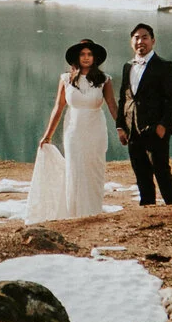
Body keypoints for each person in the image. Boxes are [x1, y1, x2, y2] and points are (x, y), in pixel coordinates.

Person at [26, 39, 112, 223]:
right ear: (77, 57)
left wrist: (122, 128)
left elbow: (113, 106)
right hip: (74, 129)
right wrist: (47, 135)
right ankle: (74, 212)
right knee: (75, 168)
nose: (86, 58)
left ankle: (93, 211)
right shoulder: (66, 79)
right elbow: (58, 107)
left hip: (95, 129)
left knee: (94, 169)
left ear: (95, 58)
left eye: (90, 54)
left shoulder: (104, 80)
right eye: (82, 54)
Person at [112, 22, 172, 206]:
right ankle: (148, 211)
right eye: (136, 38)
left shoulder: (164, 66)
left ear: (153, 41)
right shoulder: (127, 66)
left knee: (161, 171)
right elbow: (123, 98)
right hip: (132, 130)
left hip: (155, 129)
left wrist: (163, 126)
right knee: (141, 174)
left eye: (145, 37)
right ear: (131, 41)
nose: (140, 41)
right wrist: (120, 126)